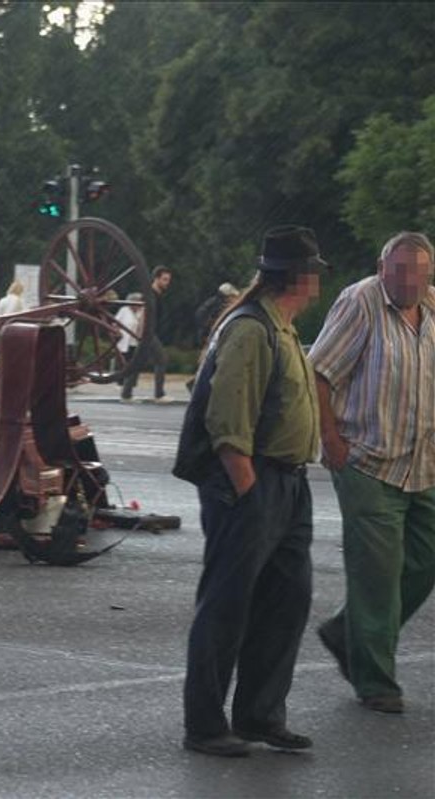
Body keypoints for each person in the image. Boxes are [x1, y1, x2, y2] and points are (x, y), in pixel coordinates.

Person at [179, 225, 325, 757]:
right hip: (254, 481)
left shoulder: (279, 326)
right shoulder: (250, 329)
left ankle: (261, 715)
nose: (317, 284)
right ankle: (205, 725)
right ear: (298, 278)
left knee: (287, 600)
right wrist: (245, 484)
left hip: (288, 483)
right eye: (313, 273)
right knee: (227, 604)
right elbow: (227, 418)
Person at [310, 231, 435, 715]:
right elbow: (319, 372)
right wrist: (330, 440)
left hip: (422, 463)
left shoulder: (431, 308)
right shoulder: (359, 302)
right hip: (367, 460)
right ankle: (375, 680)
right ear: (382, 267)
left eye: (418, 273)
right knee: (377, 576)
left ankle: (349, 633)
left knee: (424, 561)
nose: (407, 280)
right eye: (398, 270)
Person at [120, 265, 172, 402]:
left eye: (168, 280)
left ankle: (126, 393)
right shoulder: (150, 295)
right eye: (164, 279)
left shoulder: (157, 295)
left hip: (149, 332)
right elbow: (142, 314)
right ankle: (159, 394)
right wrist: (142, 335)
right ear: (156, 279)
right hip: (147, 333)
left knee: (138, 362)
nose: (167, 283)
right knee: (162, 360)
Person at [195, 282, 240, 346]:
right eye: (232, 296)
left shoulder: (212, 303)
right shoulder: (218, 307)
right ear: (227, 296)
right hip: (210, 337)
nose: (234, 299)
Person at [115, 292, 143, 370]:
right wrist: (117, 332)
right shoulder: (124, 310)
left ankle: (128, 378)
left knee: (131, 359)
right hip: (123, 339)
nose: (137, 305)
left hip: (134, 341)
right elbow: (115, 322)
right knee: (122, 359)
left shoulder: (141, 312)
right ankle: (120, 378)